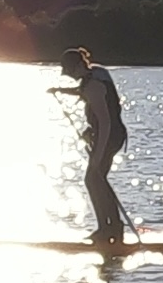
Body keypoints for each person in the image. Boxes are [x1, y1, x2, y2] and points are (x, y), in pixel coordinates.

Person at [51, 46, 133, 242]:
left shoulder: (93, 85)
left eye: (70, 71)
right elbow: (83, 91)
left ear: (78, 66)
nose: (70, 76)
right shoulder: (96, 73)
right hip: (110, 134)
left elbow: (105, 122)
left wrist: (97, 155)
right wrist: (60, 91)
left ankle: (110, 228)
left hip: (109, 136)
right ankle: (110, 227)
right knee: (97, 179)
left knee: (94, 178)